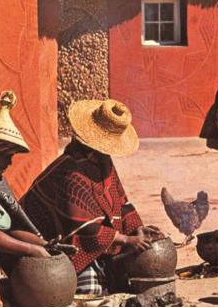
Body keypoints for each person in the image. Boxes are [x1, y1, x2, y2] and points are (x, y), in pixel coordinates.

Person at [20, 98, 162, 296]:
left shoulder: (101, 161)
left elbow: (120, 201)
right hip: (53, 244)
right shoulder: (71, 173)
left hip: (93, 240)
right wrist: (127, 240)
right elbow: (83, 228)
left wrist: (137, 229)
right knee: (90, 293)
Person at [0, 91, 51, 307]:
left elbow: (9, 225)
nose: (10, 163)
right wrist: (31, 249)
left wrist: (44, 244)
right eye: (7, 156)